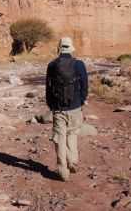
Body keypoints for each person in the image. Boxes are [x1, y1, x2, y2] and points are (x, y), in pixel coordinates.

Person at [46, 37, 88, 181]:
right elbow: (85, 86)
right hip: (75, 107)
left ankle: (63, 170)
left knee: (59, 139)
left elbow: (48, 88)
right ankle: (73, 161)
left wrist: (51, 106)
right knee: (72, 134)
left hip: (58, 109)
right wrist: (81, 102)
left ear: (59, 48)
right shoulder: (79, 64)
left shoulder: (52, 65)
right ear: (71, 48)